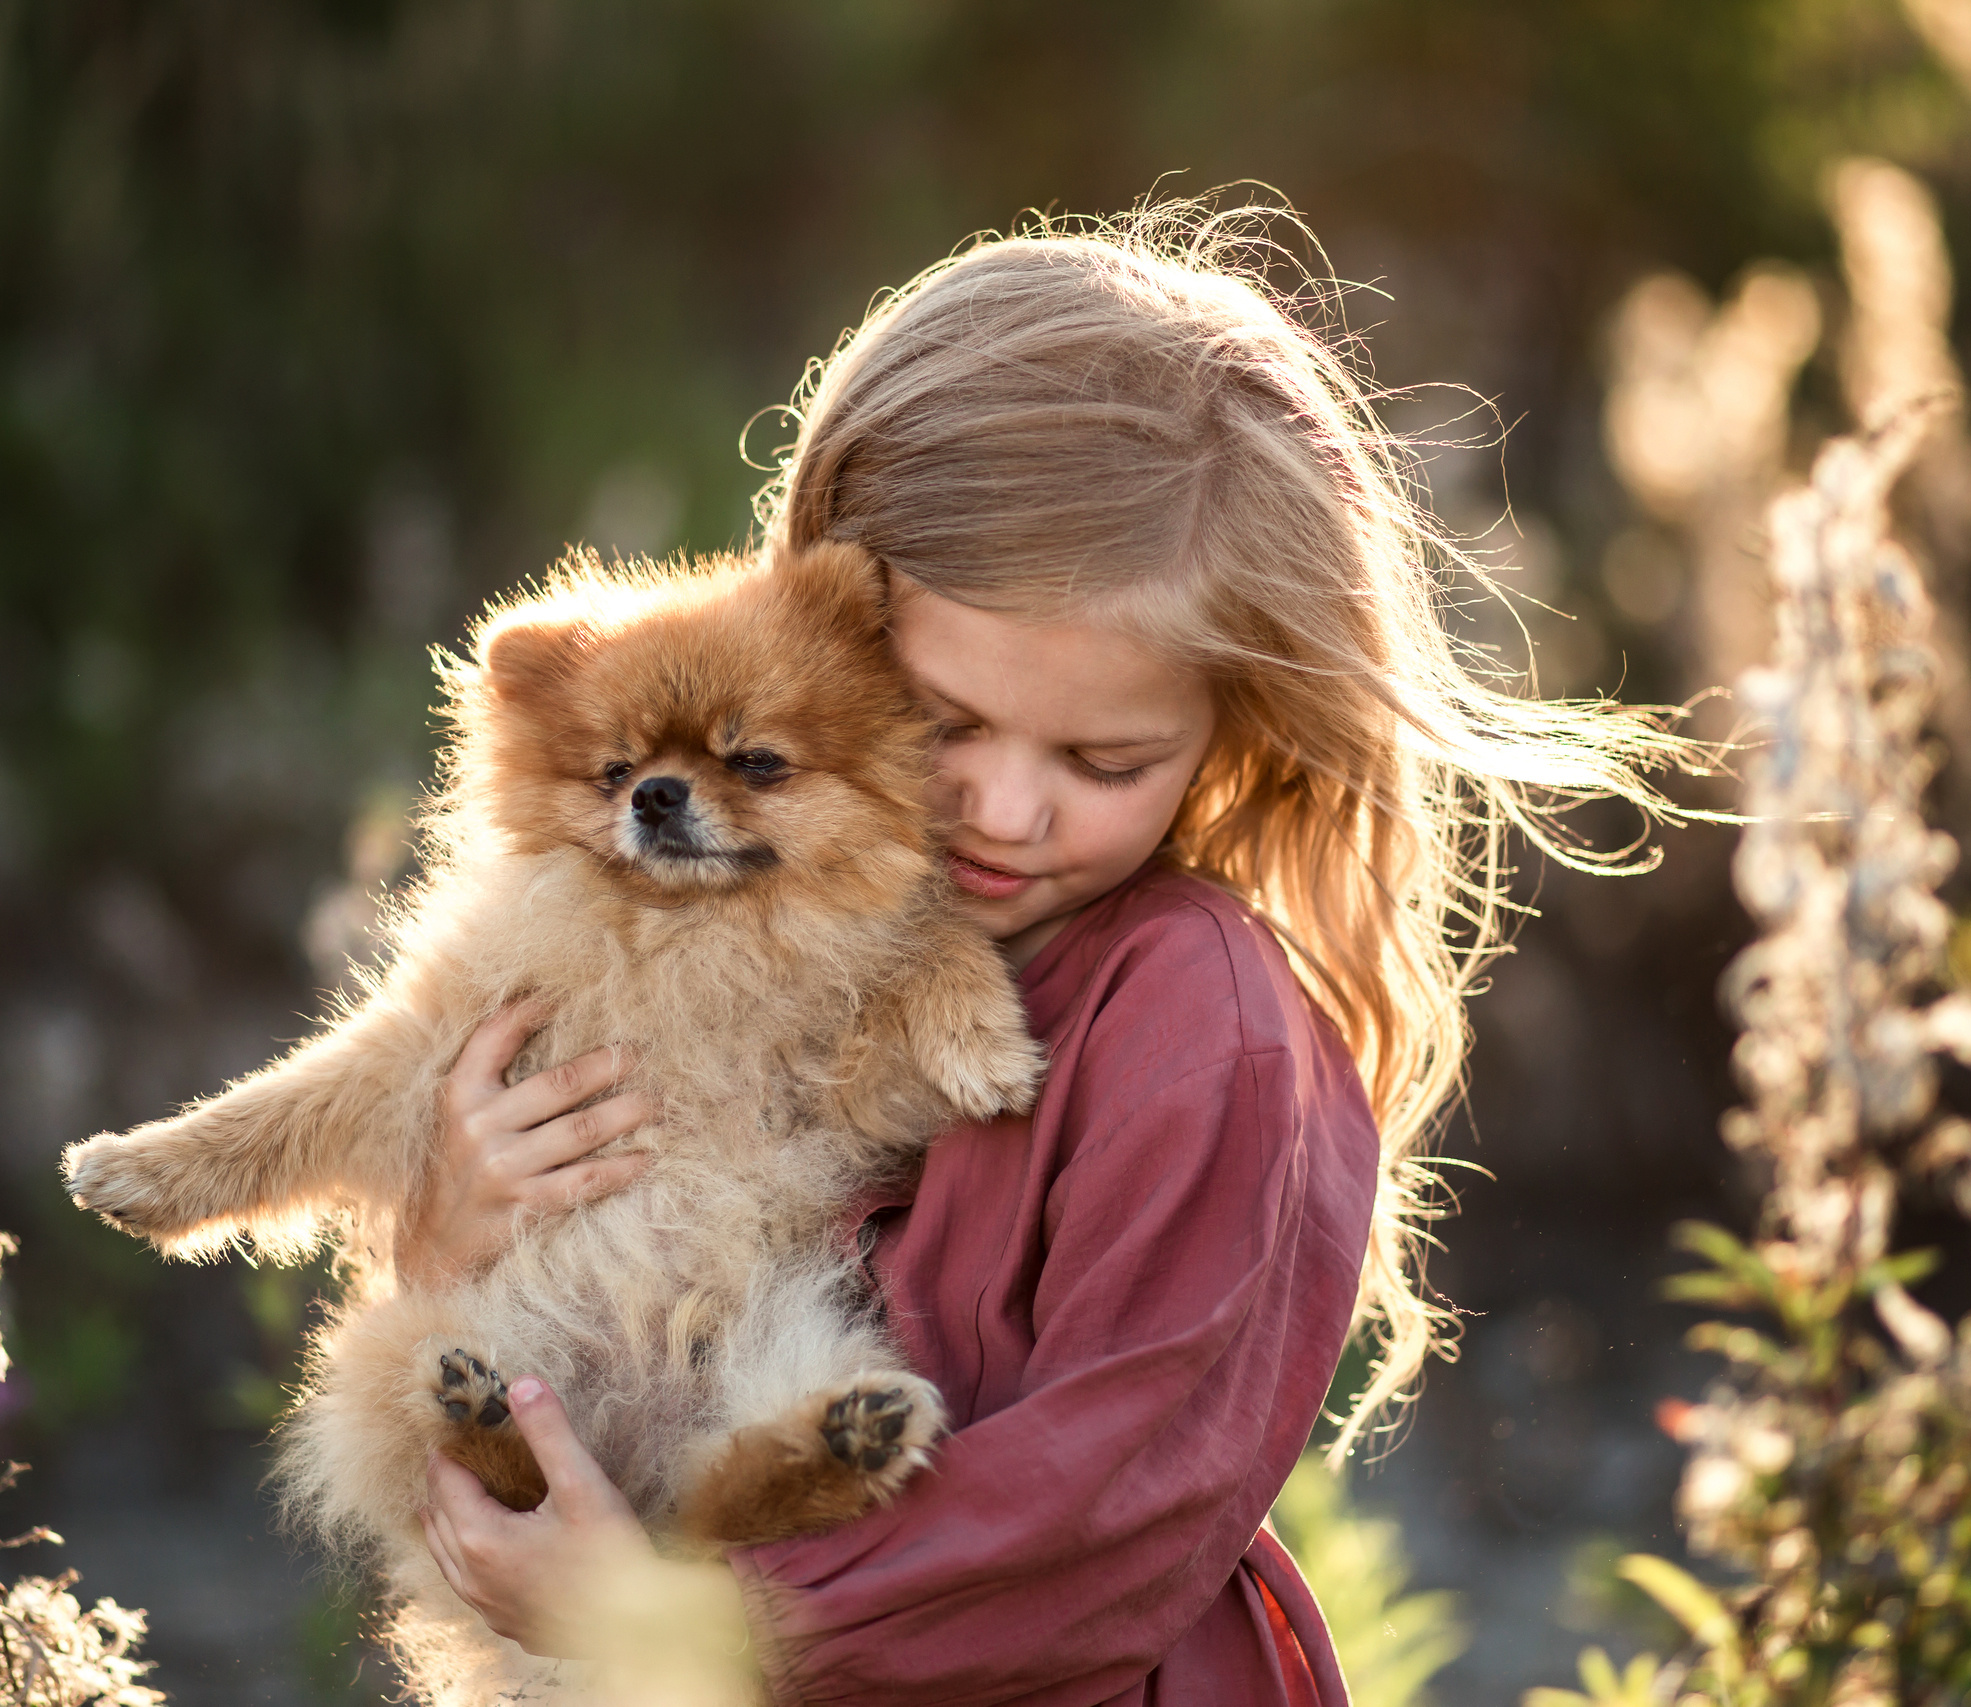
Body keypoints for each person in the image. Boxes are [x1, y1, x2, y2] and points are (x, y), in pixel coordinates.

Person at [401, 205, 1688, 1704]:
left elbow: (1105, 1511)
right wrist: (444, 1224)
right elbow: (569, 1318)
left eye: (1105, 755)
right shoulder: (705, 920)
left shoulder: (1201, 1023)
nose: (1005, 811)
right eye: (944, 723)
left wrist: (678, 1622)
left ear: (1231, 729)